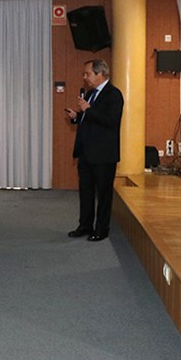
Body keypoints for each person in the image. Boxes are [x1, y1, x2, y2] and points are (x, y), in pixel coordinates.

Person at [65, 59, 124, 242]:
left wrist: (89, 110)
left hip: (103, 154)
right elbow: (89, 119)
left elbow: (111, 121)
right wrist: (77, 117)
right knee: (86, 192)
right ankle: (85, 225)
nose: (85, 77)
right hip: (86, 152)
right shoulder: (91, 94)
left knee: (103, 194)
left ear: (100, 74)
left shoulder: (114, 94)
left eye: (88, 74)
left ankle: (101, 229)